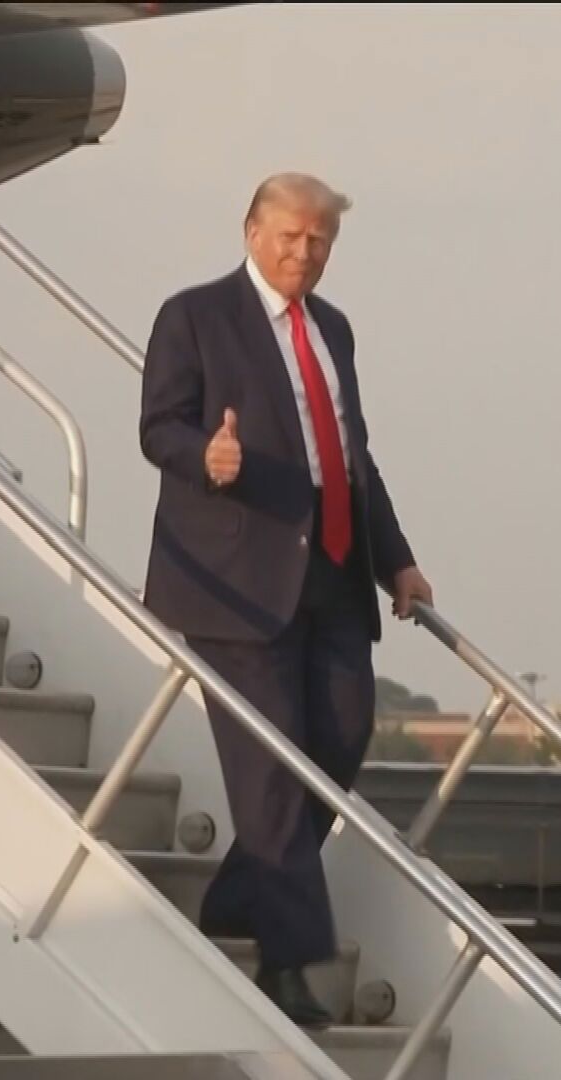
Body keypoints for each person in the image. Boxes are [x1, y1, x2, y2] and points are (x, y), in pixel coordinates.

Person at [137, 172, 433, 1028]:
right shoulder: (194, 316)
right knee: (272, 771)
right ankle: (287, 965)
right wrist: (208, 459)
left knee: (335, 750)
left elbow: (354, 459)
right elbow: (159, 427)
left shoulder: (332, 329)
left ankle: (237, 902)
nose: (304, 254)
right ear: (252, 231)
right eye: (290, 237)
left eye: (320, 241)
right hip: (231, 583)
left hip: (336, 575)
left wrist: (399, 563)